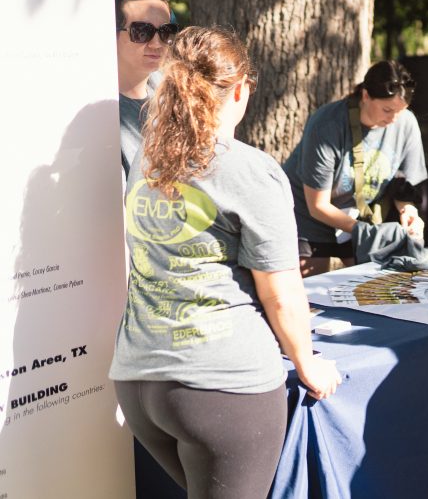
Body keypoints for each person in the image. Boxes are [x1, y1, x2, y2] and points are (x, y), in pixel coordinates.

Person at [109, 26, 341, 497]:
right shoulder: (250, 169)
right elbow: (280, 291)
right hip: (220, 387)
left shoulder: (148, 160)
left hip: (139, 383)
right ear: (240, 89)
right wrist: (307, 361)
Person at [282, 60, 428, 276]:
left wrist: (409, 212)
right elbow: (317, 206)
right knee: (312, 290)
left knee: (380, 283)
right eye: (387, 109)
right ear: (366, 95)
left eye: (400, 110)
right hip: (307, 212)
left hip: (357, 214)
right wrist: (364, 232)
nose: (394, 119)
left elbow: (403, 185)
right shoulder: (327, 125)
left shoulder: (406, 123)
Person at [115, 0, 178, 182]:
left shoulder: (180, 100)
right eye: (142, 31)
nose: (157, 43)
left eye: (166, 32)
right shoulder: (95, 108)